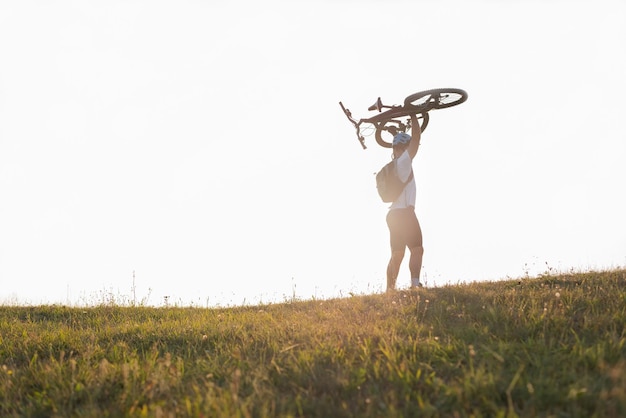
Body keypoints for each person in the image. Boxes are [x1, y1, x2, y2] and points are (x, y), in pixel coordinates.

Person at [385, 113, 423, 291]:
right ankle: (415, 285)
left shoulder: (396, 163)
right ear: (404, 147)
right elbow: (416, 137)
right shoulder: (405, 161)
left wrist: (393, 130)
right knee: (417, 249)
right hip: (405, 213)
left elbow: (403, 142)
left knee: (397, 253)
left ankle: (390, 289)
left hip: (393, 214)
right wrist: (413, 114)